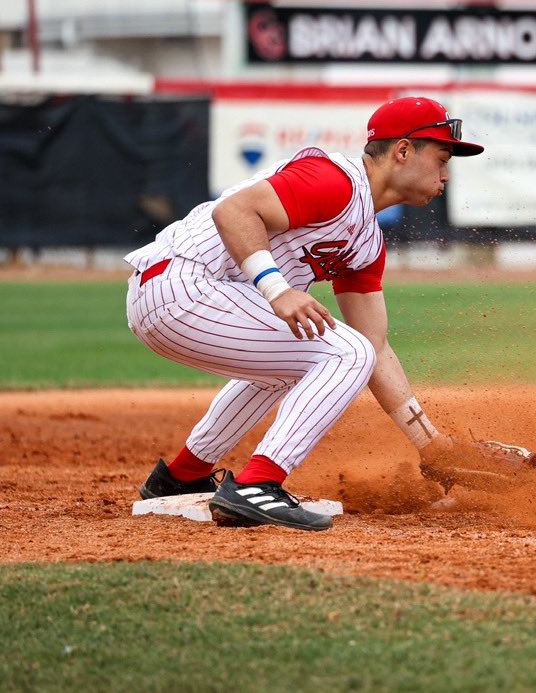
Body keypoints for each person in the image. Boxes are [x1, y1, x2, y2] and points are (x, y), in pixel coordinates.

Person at [129, 96, 494, 531]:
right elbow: (235, 210)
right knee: (341, 351)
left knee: (320, 352)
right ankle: (258, 485)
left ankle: (182, 477)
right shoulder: (335, 180)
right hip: (182, 284)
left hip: (192, 295)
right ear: (402, 151)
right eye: (441, 157)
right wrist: (278, 289)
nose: (446, 174)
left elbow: (375, 347)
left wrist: (430, 443)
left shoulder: (366, 242)